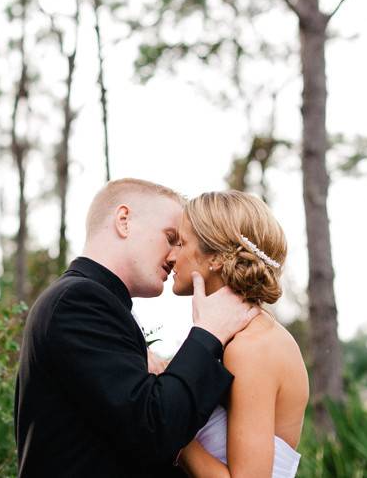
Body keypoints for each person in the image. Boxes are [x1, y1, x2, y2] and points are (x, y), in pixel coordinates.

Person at [14, 178, 259, 478]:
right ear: (124, 221)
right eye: (171, 237)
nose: (174, 255)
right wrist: (208, 334)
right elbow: (155, 430)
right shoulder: (78, 302)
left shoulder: (97, 304)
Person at [171, 190, 309, 478]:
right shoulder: (240, 337)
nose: (172, 255)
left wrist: (173, 431)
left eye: (181, 243)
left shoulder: (251, 348)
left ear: (217, 259)